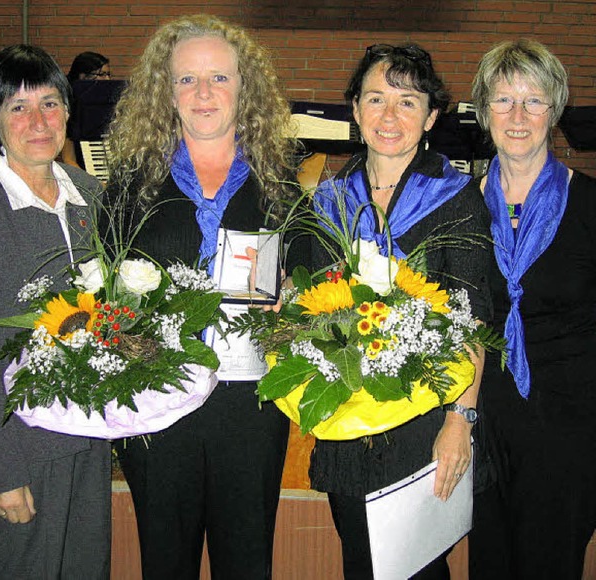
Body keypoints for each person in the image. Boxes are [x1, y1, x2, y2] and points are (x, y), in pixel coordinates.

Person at [105, 14, 296, 579]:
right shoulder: (130, 186)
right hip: (157, 401)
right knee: (166, 561)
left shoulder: (281, 182)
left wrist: (293, 296)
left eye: (220, 77)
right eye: (186, 80)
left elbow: (311, 282)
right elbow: (104, 292)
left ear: (246, 89)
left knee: (246, 562)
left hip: (249, 408)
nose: (204, 93)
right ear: (165, 93)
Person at [308, 44, 492, 580]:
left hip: (424, 415)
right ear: (356, 111)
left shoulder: (456, 198)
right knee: (360, 564)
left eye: (407, 102)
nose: (389, 116)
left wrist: (462, 417)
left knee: (419, 566)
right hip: (347, 417)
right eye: (376, 99)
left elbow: (472, 314)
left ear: (431, 116)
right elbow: (310, 308)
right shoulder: (328, 199)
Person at [0, 45, 111, 579]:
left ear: (69, 111)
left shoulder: (92, 196)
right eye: (18, 108)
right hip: (18, 444)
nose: (38, 121)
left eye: (49, 103)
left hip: (89, 437)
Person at [468, 38, 596, 580]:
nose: (517, 116)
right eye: (503, 100)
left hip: (570, 424)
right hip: (484, 420)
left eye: (534, 100)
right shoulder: (459, 208)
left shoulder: (591, 204)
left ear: (555, 109)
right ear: (483, 112)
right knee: (490, 563)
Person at [61, 51, 111, 168]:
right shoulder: (68, 107)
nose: (107, 79)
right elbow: (69, 160)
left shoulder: (109, 104)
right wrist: (93, 183)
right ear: (83, 77)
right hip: (81, 173)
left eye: (108, 74)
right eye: (102, 74)